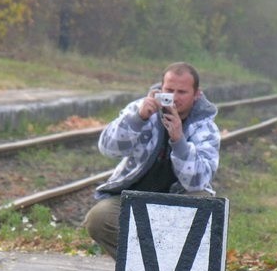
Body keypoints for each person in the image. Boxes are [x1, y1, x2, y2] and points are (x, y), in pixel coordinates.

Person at [84, 62, 220, 259]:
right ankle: (142, 267)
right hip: (135, 195)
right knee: (99, 219)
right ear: (159, 89)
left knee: (203, 206)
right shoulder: (140, 109)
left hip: (179, 199)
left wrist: (179, 141)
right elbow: (108, 148)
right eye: (169, 90)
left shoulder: (205, 127)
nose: (174, 97)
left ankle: (171, 269)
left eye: (182, 92)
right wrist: (138, 119)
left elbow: (197, 182)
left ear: (196, 94)